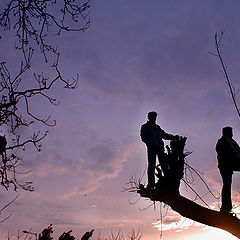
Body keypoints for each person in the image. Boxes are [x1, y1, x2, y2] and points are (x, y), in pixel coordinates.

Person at [140, 111, 177, 188]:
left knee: (164, 164)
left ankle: (167, 180)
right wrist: (150, 144)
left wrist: (173, 137)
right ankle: (151, 183)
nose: (154, 118)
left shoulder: (158, 128)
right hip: (152, 149)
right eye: (153, 116)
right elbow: (143, 137)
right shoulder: (145, 126)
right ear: (149, 117)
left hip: (160, 148)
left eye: (155, 116)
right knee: (151, 166)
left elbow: (164, 135)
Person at [216, 126, 240, 213]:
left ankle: (226, 208)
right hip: (226, 165)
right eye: (230, 132)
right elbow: (227, 154)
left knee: (227, 185)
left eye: (232, 132)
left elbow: (237, 151)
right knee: (227, 185)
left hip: (229, 165)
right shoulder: (223, 141)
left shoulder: (231, 141)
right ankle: (226, 208)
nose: (232, 133)